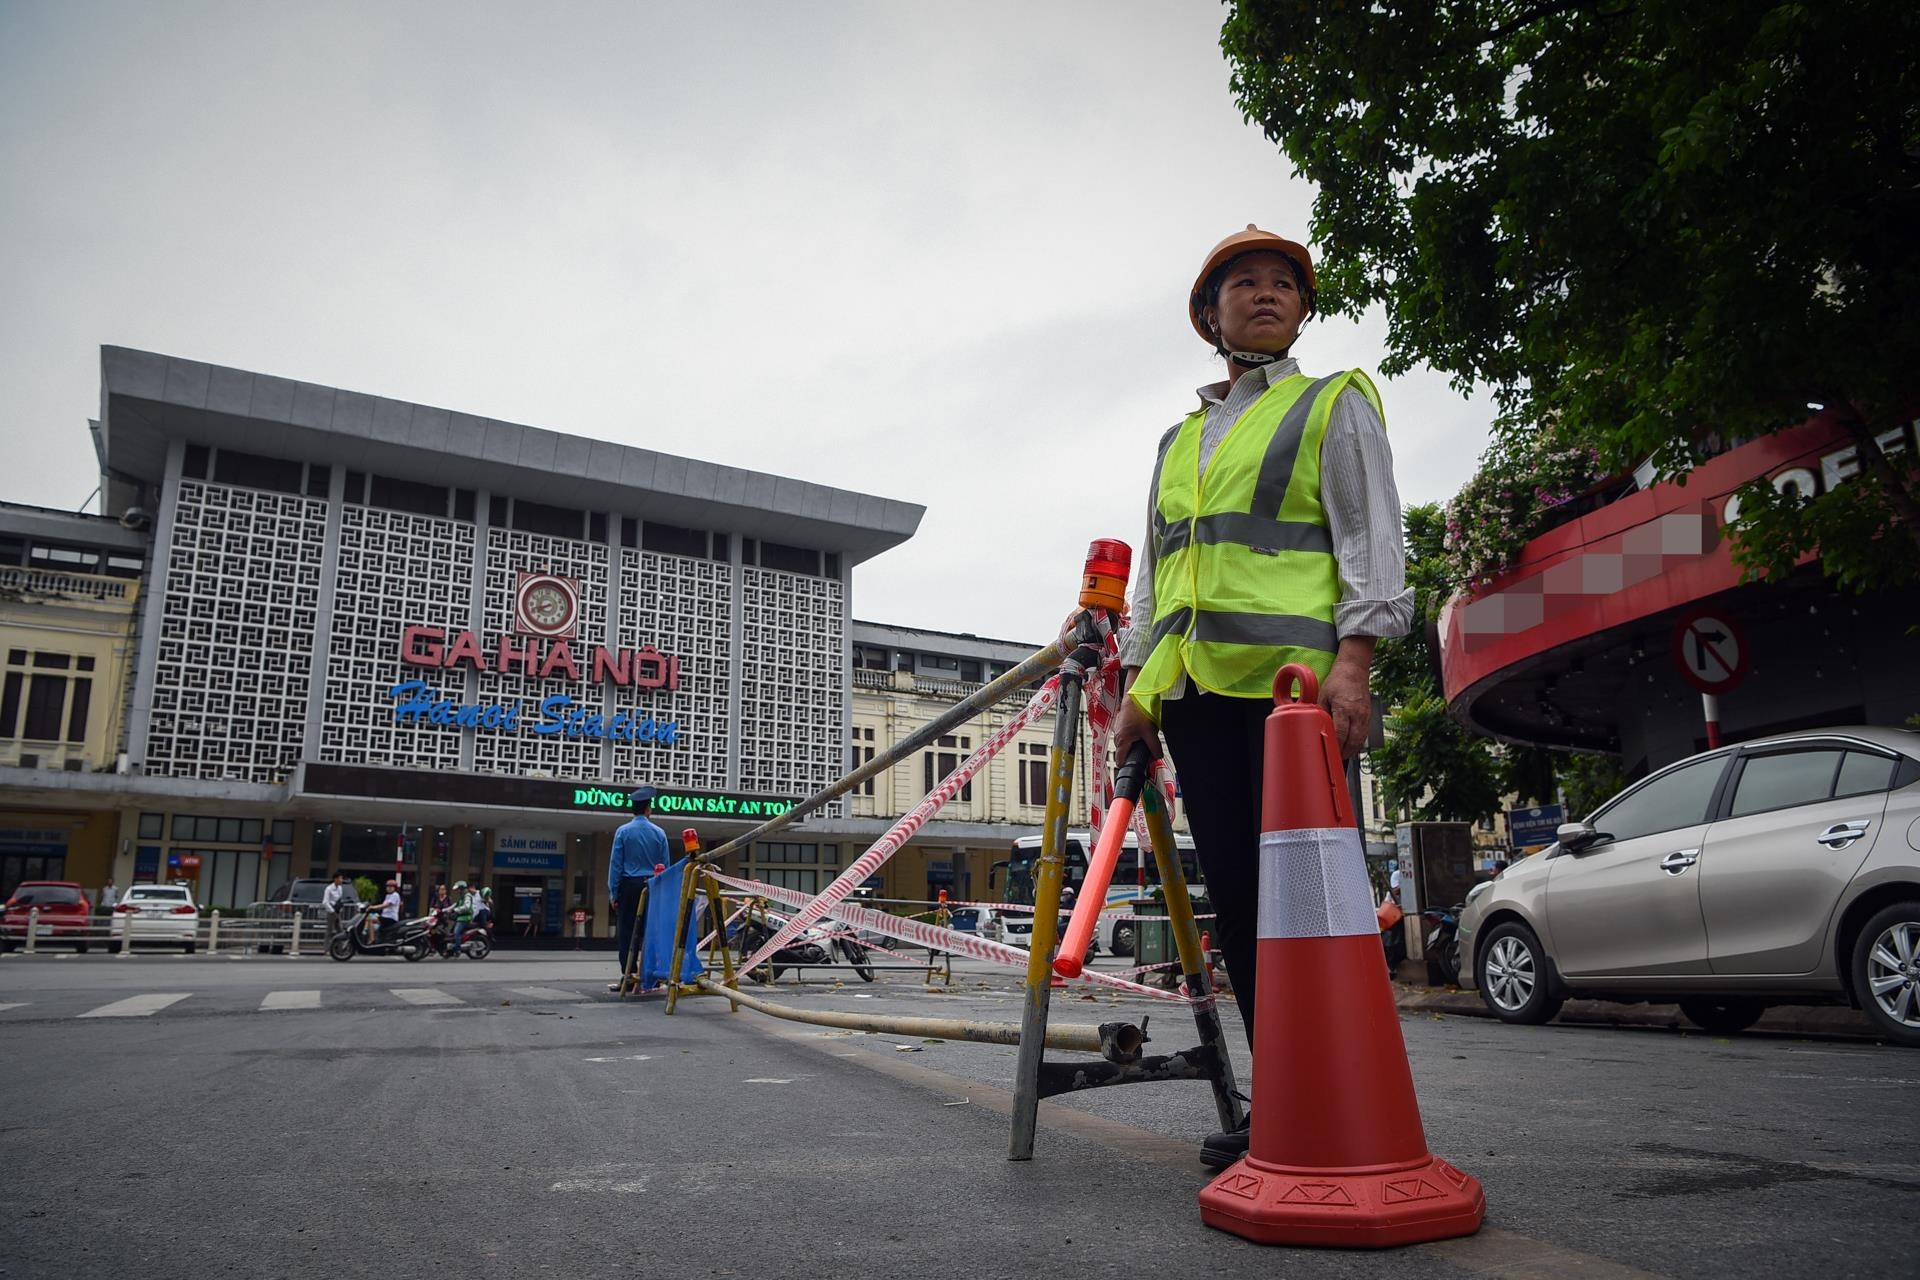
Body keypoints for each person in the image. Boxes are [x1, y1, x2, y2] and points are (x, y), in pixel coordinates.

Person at [1111, 225, 1411, 1170]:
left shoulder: (1334, 404)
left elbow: (1370, 539)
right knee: (1241, 906)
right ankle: (1281, 1105)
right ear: (1211, 315)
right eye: (1245, 283)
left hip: (1294, 700)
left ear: (1302, 308)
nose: (1267, 293)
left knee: (1312, 905)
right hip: (1197, 694)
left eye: (1283, 282)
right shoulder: (1178, 442)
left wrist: (1354, 666)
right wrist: (1140, 695)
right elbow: (1160, 584)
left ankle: (1338, 1102)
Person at [606, 786, 669, 992]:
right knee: (651, 932)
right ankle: (652, 976)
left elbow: (616, 865)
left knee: (626, 932)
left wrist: (614, 892)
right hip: (652, 885)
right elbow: (665, 866)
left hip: (628, 885)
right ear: (648, 809)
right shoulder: (659, 833)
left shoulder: (623, 832)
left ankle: (628, 976)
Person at [322, 872, 350, 937]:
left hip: (337, 911)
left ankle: (339, 945)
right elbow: (325, 902)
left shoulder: (340, 888)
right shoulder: (329, 889)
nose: (342, 880)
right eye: (340, 878)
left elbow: (339, 899)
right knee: (329, 930)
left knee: (340, 929)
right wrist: (332, 911)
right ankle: (327, 946)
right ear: (336, 879)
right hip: (331, 911)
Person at [378, 878, 403, 942]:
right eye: (388, 886)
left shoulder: (395, 895)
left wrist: (373, 907)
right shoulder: (388, 896)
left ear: (395, 888)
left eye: (391, 887)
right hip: (385, 917)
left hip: (390, 918)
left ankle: (371, 939)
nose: (389, 888)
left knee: (370, 919)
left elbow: (386, 905)